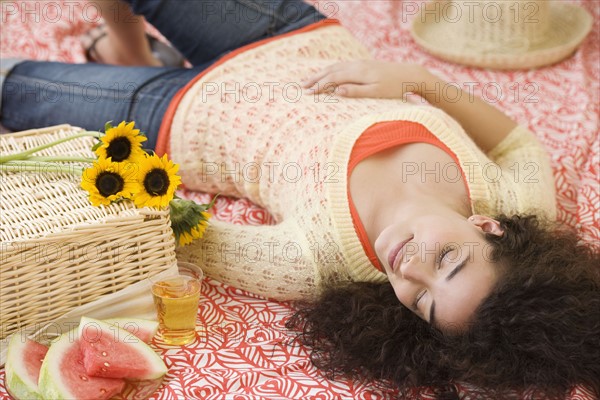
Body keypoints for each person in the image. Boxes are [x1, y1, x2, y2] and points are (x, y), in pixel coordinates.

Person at [1, 1, 598, 398]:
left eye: (419, 302)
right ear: (488, 227)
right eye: (448, 261)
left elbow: (177, 231)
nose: (409, 270)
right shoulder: (521, 202)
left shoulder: (314, 263)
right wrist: (415, 82)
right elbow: (520, 143)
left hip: (182, 109)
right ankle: (125, 46)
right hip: (292, 35)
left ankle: (127, 72)